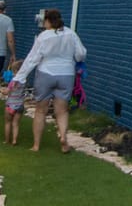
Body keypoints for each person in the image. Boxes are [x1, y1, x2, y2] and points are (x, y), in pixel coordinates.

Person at [13, 8, 86, 153]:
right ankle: (63, 138)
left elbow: (32, 59)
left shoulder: (44, 36)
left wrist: (19, 77)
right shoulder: (71, 34)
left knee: (40, 110)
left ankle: (36, 145)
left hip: (46, 73)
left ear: (48, 21)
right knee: (62, 110)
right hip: (66, 74)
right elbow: (81, 54)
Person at [4, 60, 26, 145]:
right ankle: (14, 140)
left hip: (10, 104)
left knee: (7, 122)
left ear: (16, 71)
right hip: (20, 105)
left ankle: (6, 140)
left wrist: (3, 91)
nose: (12, 73)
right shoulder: (24, 81)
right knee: (16, 124)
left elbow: (7, 91)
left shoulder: (12, 82)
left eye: (13, 71)